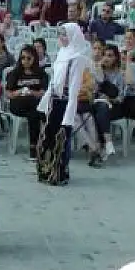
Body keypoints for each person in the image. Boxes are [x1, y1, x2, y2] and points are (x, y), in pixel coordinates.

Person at [37, 23, 93, 186]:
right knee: (48, 138)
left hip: (65, 102)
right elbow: (55, 80)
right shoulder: (62, 52)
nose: (61, 38)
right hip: (53, 100)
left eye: (65, 34)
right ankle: (45, 171)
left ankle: (59, 174)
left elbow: (74, 87)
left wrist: (69, 112)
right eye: (60, 34)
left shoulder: (78, 57)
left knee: (61, 138)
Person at [4, 46, 49, 160]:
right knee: (35, 111)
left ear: (34, 59)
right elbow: (8, 94)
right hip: (18, 104)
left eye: (28, 58)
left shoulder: (41, 73)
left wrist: (31, 92)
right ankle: (37, 146)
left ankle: (34, 147)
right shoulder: (15, 73)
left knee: (33, 112)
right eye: (23, 58)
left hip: (34, 104)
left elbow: (43, 93)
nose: (25, 61)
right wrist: (19, 92)